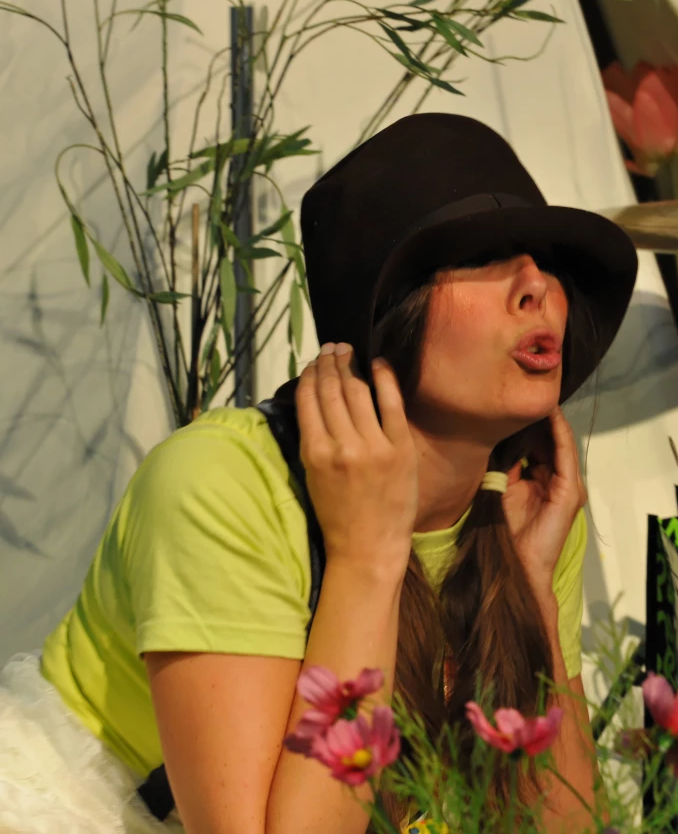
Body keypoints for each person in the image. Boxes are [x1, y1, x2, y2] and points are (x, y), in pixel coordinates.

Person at [0, 113, 637, 834]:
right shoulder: (224, 484)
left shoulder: (524, 506)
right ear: (387, 316)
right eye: (482, 257)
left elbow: (566, 825)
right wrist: (368, 555)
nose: (536, 285)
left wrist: (533, 595)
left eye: (545, 259)